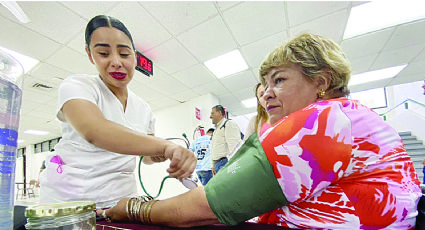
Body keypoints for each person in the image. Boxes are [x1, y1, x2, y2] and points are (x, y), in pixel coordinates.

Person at [99, 33, 421, 229]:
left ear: (321, 83)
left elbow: (204, 207)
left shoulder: (323, 123)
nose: (265, 94)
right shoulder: (349, 116)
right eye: (264, 84)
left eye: (279, 80)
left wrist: (132, 208)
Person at [39, 15, 196, 209]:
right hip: (69, 204)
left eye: (124, 54)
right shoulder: (77, 86)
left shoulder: (143, 108)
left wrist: (156, 154)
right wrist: (164, 146)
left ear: (135, 57)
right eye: (104, 53)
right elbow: (95, 131)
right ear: (90, 55)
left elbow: (145, 158)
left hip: (121, 204)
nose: (116, 62)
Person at [209, 105, 241, 174]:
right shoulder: (216, 130)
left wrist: (234, 166)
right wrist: (213, 165)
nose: (210, 116)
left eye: (212, 113)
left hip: (225, 163)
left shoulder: (228, 124)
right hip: (217, 165)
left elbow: (235, 147)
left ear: (219, 113)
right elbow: (214, 148)